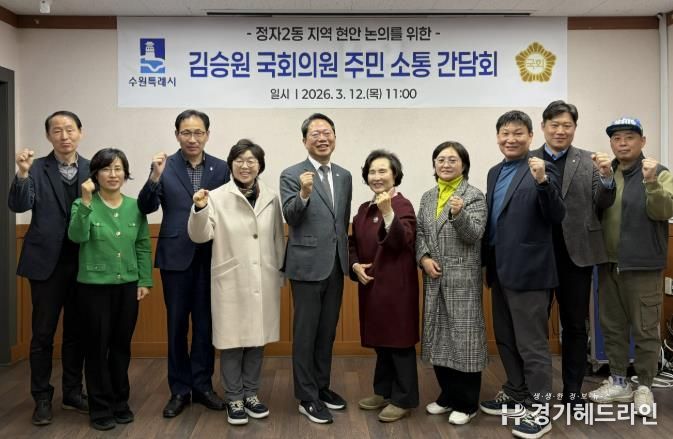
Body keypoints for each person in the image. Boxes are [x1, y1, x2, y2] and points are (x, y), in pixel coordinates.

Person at [137, 109, 230, 417]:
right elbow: (146, 207)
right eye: (186, 133)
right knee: (176, 325)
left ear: (207, 135)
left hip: (210, 257)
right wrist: (154, 176)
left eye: (198, 132)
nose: (192, 138)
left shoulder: (221, 168)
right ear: (177, 135)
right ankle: (179, 389)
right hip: (175, 257)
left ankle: (202, 386)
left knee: (205, 324)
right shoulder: (165, 166)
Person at [479, 110, 565, 439]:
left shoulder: (543, 168)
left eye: (518, 133)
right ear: (497, 137)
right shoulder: (494, 172)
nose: (510, 139)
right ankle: (517, 392)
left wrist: (542, 181)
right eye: (505, 133)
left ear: (531, 136)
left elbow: (556, 215)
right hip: (499, 269)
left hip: (530, 272)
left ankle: (540, 409)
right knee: (505, 337)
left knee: (532, 345)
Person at [187, 139, 285, 426]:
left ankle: (251, 394)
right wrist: (199, 208)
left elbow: (277, 237)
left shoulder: (271, 196)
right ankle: (234, 398)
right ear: (231, 165)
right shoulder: (216, 197)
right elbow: (199, 236)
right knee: (232, 341)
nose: (245, 166)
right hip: (231, 278)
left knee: (257, 340)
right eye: (239, 160)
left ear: (260, 166)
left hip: (263, 276)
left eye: (251, 160)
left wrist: (278, 272)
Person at [531, 100, 616, 405]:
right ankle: (537, 389)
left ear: (575, 128)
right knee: (534, 326)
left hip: (576, 255)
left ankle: (572, 391)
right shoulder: (527, 160)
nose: (560, 130)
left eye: (567, 125)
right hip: (537, 256)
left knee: (575, 326)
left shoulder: (589, 161)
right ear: (543, 127)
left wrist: (606, 177)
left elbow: (603, 202)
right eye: (554, 125)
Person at [588, 118, 673, 417]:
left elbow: (664, 211)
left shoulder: (658, 172)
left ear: (642, 141)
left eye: (629, 137)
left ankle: (645, 386)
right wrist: (603, 179)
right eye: (617, 138)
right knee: (612, 327)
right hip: (608, 263)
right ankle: (619, 381)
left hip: (642, 265)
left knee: (646, 329)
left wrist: (651, 182)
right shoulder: (605, 171)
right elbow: (595, 208)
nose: (622, 143)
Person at [8, 110, 89, 426]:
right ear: (48, 136)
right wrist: (22, 173)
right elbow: (19, 205)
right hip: (45, 264)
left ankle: (72, 392)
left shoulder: (93, 168)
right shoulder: (36, 168)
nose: (64, 136)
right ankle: (41, 397)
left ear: (80, 132)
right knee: (42, 334)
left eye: (69, 129)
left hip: (84, 262)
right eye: (57, 130)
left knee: (77, 332)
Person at [67, 148, 152, 431]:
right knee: (96, 348)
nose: (113, 174)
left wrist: (144, 280)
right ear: (95, 174)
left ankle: (119, 402)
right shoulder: (82, 204)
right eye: (106, 169)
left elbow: (142, 245)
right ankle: (100, 406)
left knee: (120, 347)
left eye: (118, 169)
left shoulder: (135, 206)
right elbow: (77, 236)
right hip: (94, 288)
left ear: (125, 174)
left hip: (127, 286)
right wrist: (86, 201)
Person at [279, 113, 352, 424]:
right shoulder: (291, 174)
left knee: (327, 332)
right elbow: (291, 217)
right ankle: (306, 397)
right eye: (315, 133)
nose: (322, 138)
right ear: (304, 140)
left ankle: (321, 386)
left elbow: (341, 223)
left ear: (334, 137)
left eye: (327, 132)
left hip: (335, 264)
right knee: (306, 334)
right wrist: (304, 194)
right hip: (306, 265)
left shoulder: (344, 176)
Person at [416, 141, 488, 425]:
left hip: (462, 280)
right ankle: (447, 396)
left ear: (464, 165)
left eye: (452, 160)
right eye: (441, 160)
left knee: (464, 340)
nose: (446, 164)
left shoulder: (473, 195)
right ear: (434, 165)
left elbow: (474, 235)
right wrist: (423, 258)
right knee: (438, 338)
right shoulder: (428, 197)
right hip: (434, 277)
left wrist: (459, 215)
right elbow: (420, 233)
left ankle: (467, 404)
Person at [349, 150, 419, 422]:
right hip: (371, 287)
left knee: (399, 343)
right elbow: (352, 244)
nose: (376, 177)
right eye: (372, 172)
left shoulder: (402, 205)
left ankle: (403, 399)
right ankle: (383, 391)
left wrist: (388, 211)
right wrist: (355, 265)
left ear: (395, 175)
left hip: (397, 288)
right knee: (382, 343)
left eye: (382, 171)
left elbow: (402, 241)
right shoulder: (363, 209)